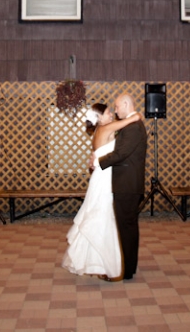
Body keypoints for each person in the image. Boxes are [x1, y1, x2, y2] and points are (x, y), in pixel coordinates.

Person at [61, 103, 141, 280]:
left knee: (101, 216)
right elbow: (133, 119)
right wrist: (134, 114)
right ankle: (106, 263)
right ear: (98, 118)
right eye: (107, 112)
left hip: (102, 175)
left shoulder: (99, 131)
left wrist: (94, 159)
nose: (112, 114)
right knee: (104, 218)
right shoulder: (107, 128)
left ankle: (100, 262)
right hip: (105, 178)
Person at [98, 94, 147, 281]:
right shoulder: (132, 125)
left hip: (127, 185)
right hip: (129, 184)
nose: (116, 110)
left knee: (126, 228)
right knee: (129, 227)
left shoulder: (133, 127)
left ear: (126, 104)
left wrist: (99, 161)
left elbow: (122, 153)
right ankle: (129, 267)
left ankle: (127, 271)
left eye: (117, 107)